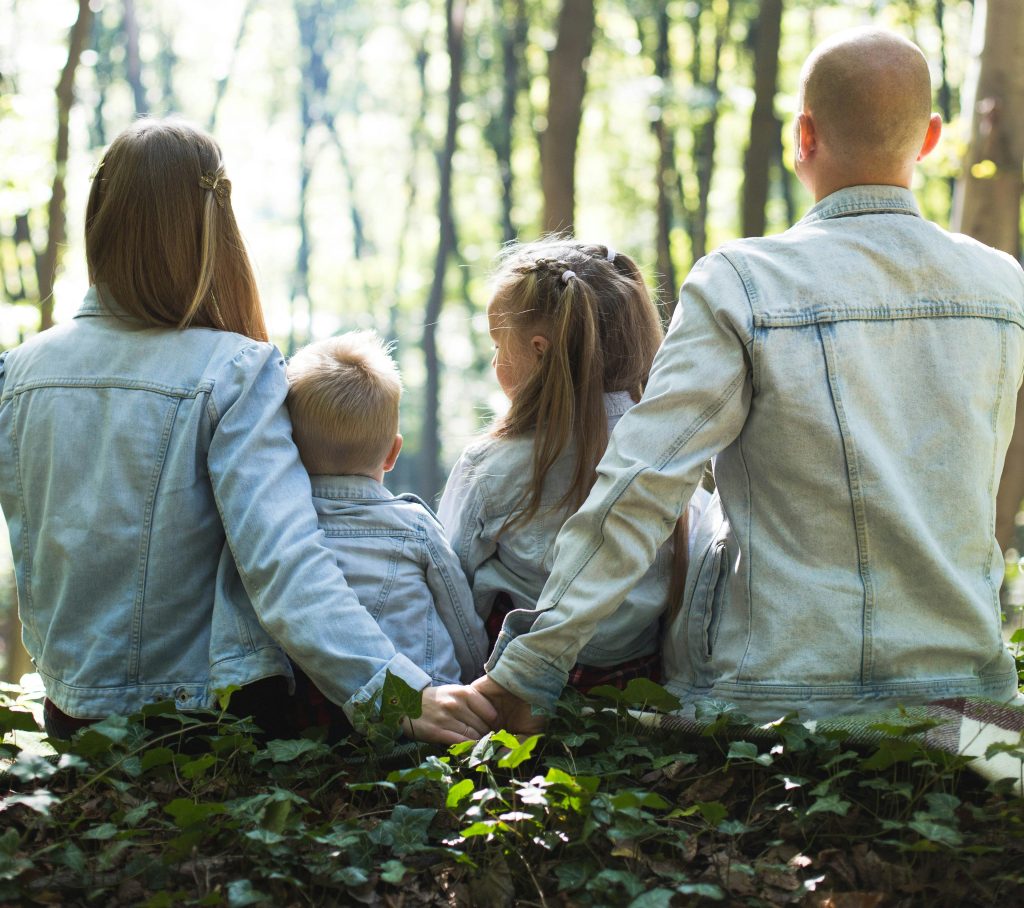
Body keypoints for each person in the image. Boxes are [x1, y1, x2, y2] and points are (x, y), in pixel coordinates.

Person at [473, 28, 1024, 729]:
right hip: (969, 701)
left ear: (803, 136)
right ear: (931, 139)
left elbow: (642, 484)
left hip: (773, 698)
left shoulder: (743, 283)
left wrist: (530, 668)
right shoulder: (1004, 287)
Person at [0, 118, 495, 744]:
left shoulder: (17, 372)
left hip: (71, 718)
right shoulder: (234, 370)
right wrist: (397, 694)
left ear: (100, 217)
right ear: (212, 228)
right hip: (202, 724)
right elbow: (284, 563)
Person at [438, 240, 710, 692]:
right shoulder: (671, 457)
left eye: (498, 345)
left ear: (539, 351)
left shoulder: (490, 465)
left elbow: (451, 585)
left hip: (511, 689)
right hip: (637, 688)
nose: (493, 361)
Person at [284, 330, 487, 687]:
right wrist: (474, 679)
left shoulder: (280, 529)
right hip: (427, 702)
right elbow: (462, 623)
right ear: (393, 454)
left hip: (321, 710)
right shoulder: (415, 527)